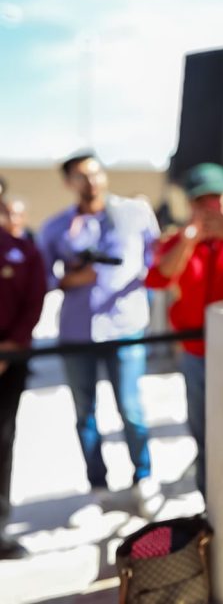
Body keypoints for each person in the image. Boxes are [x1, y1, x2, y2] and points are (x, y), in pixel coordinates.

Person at [37, 152, 164, 519]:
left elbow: (154, 263)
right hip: (77, 330)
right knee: (85, 413)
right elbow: (42, 278)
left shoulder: (134, 213)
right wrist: (70, 278)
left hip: (125, 326)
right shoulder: (57, 227)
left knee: (131, 406)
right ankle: (98, 488)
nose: (91, 182)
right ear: (68, 183)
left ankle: (144, 477)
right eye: (80, 176)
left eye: (95, 173)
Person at [144, 163, 223, 498]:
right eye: (200, 201)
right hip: (195, 354)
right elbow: (158, 278)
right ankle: (211, 504)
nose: (209, 207)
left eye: (215, 198)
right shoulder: (181, 240)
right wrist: (189, 239)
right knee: (204, 434)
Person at [0, 205, 46, 559]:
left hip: (9, 362)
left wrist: (10, 348)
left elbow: (33, 300)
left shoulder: (23, 251)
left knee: (1, 442)